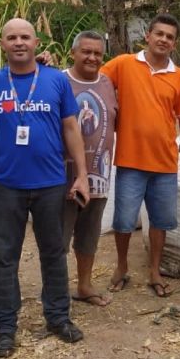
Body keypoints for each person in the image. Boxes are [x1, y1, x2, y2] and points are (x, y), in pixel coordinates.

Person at [0, 18, 91, 358]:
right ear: (2, 44)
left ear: (36, 42)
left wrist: (82, 175)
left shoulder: (55, 80)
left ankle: (58, 318)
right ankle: (4, 327)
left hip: (50, 183)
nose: (19, 42)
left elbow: (71, 128)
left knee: (53, 252)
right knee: (5, 258)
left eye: (25, 37)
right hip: (7, 184)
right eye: (11, 37)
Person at [101, 13, 180, 298]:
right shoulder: (123, 65)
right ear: (148, 36)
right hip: (130, 161)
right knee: (123, 220)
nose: (163, 40)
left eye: (169, 37)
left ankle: (155, 271)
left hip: (165, 163)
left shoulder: (179, 78)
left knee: (161, 221)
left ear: (174, 43)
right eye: (159, 34)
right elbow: (92, 79)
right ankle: (121, 267)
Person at [62, 30, 118, 307]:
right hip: (62, 175)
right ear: (73, 53)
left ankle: (84, 285)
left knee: (89, 232)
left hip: (98, 174)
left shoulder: (108, 84)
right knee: (58, 235)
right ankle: (57, 292)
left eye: (97, 53)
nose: (92, 57)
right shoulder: (59, 80)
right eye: (86, 51)